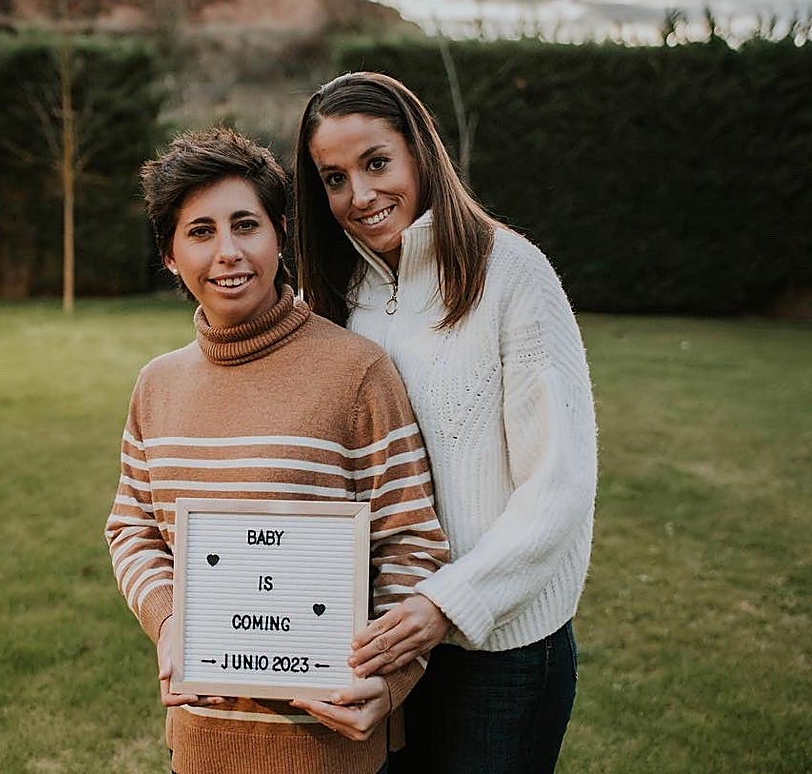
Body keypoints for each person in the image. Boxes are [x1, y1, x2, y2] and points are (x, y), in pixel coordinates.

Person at [105, 127, 450, 774]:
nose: (228, 252)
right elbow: (133, 530)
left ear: (281, 234)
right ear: (171, 256)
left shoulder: (357, 374)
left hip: (334, 748)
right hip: (203, 744)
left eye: (245, 225)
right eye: (200, 232)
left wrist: (389, 680)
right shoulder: (157, 386)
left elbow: (414, 545)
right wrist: (169, 622)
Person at [293, 72, 598, 774]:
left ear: (420, 153)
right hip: (387, 646)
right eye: (334, 179)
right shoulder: (339, 296)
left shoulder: (511, 275)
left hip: (500, 655)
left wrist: (446, 603)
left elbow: (558, 485)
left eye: (376, 163)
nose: (360, 195)